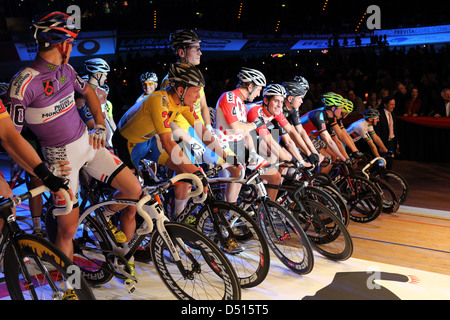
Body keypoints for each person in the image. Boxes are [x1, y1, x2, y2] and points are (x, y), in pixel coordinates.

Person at [4, 12, 142, 273]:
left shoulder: (66, 69)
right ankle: (69, 287)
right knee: (67, 230)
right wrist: (41, 171)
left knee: (134, 192)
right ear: (61, 45)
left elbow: (89, 91)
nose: (72, 47)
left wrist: (100, 124)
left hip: (88, 145)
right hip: (59, 158)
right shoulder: (23, 83)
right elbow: (13, 138)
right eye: (71, 42)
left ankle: (101, 216)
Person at [113, 62, 239, 213]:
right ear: (181, 90)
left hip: (149, 141)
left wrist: (228, 157)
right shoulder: (158, 101)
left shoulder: (183, 104)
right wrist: (197, 172)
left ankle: (177, 217)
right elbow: (168, 143)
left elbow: (203, 133)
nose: (199, 97)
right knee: (132, 200)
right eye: (196, 91)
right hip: (128, 144)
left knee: (183, 170)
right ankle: (105, 215)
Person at [0, 99, 74, 298]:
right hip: (51, 159)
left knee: (68, 232)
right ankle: (37, 226)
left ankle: (74, 288)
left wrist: (46, 176)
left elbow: (10, 136)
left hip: (65, 164)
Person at [246, 84, 311, 200]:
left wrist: (308, 154)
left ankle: (262, 201)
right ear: (266, 100)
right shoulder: (255, 111)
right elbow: (269, 141)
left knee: (273, 166)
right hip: (235, 141)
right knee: (273, 174)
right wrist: (295, 160)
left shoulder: (276, 111)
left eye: (281, 101)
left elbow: (292, 131)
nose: (280, 105)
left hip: (253, 139)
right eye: (276, 101)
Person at [214, 67, 267, 203]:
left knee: (260, 171)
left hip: (234, 147)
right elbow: (237, 128)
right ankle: (230, 211)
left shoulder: (242, 104)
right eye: (259, 89)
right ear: (250, 86)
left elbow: (245, 132)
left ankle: (231, 210)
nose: (258, 94)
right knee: (238, 172)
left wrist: (253, 151)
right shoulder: (229, 97)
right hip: (220, 146)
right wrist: (256, 124)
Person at [300, 93, 353, 173]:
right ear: (333, 108)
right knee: (326, 158)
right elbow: (329, 141)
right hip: (299, 137)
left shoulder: (330, 116)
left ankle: (321, 181)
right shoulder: (319, 115)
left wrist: (345, 156)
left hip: (309, 137)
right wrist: (344, 158)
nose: (342, 110)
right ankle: (317, 181)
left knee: (334, 156)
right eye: (341, 108)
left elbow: (341, 135)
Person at [84, 58, 116, 147]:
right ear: (98, 75)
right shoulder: (83, 91)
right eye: (105, 75)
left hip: (102, 128)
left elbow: (106, 116)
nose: (106, 78)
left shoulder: (103, 92)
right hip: (91, 130)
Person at [374, 96, 399, 169]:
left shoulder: (393, 114)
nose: (393, 106)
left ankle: (386, 179)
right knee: (380, 164)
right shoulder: (379, 114)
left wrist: (396, 143)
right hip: (382, 142)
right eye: (391, 104)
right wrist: (380, 145)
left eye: (394, 104)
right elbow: (377, 131)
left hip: (391, 142)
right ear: (385, 105)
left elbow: (394, 129)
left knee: (389, 163)